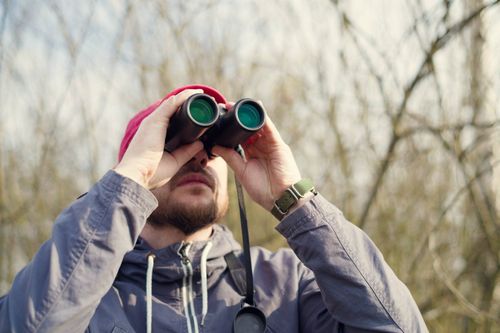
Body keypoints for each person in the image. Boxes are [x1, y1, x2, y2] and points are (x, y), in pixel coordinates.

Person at [0, 84, 428, 333]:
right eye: (178, 144)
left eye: (213, 148)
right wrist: (125, 185)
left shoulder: (285, 287)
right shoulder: (85, 288)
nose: (200, 158)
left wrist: (296, 201)